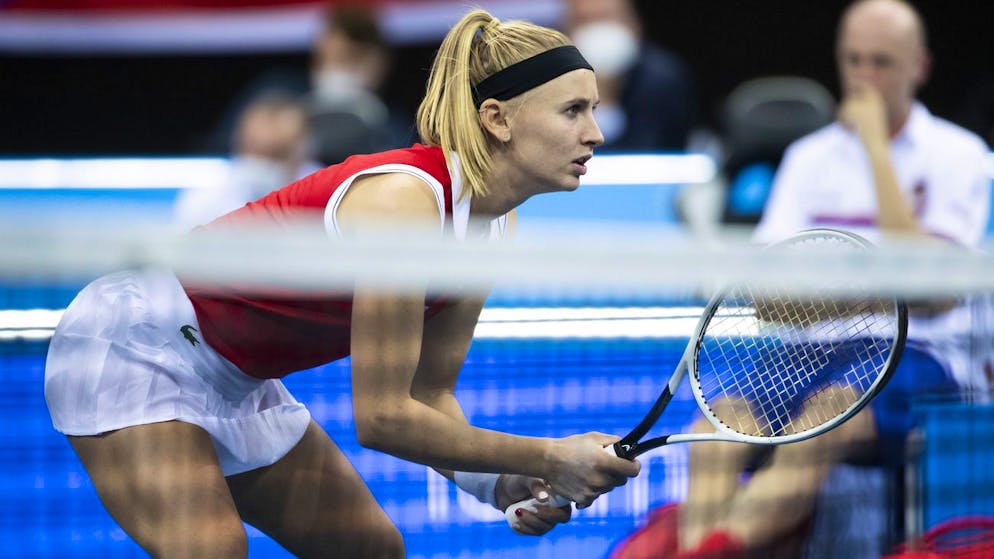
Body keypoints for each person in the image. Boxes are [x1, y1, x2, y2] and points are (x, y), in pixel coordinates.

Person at [44, 8, 640, 558]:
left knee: (370, 550)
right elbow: (381, 418)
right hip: (142, 342)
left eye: (592, 109)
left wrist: (498, 482)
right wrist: (550, 456)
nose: (595, 133)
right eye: (572, 110)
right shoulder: (404, 204)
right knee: (212, 551)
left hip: (239, 378)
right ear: (498, 119)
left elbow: (428, 396)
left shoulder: (493, 228)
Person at [609, 1, 991, 558]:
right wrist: (869, 293)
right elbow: (769, 298)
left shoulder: (958, 155)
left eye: (882, 62)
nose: (864, 77)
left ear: (920, 66)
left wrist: (877, 151)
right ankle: (707, 549)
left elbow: (932, 291)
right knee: (716, 431)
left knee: (824, 420)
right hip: (804, 354)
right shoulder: (808, 158)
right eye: (853, 61)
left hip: (918, 355)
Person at [173, 91, 320, 230]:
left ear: (304, 150)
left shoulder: (325, 194)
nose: (265, 166)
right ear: (239, 143)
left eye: (277, 154)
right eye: (258, 151)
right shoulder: (205, 199)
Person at [563, 0, 697, 152]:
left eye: (606, 18)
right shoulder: (553, 81)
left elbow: (651, 150)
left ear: (633, 23)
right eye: (585, 20)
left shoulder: (662, 78)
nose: (597, 32)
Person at [307, 3, 412, 164]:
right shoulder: (293, 115)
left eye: (344, 59)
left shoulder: (396, 130)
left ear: (377, 63)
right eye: (323, 59)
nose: (333, 68)